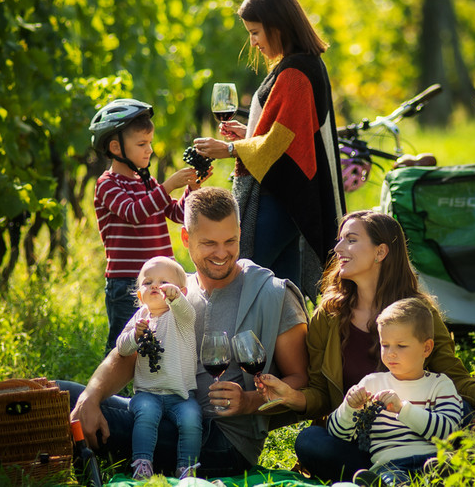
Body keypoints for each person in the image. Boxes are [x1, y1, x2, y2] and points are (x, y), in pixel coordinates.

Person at [64, 186, 309, 478]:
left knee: (64, 405)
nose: (222, 253)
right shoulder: (175, 293)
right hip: (162, 411)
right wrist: (90, 398)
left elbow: (300, 380)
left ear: (240, 233)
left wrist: (247, 402)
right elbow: (125, 356)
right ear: (186, 238)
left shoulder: (271, 294)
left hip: (221, 441)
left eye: (230, 241)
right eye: (209, 243)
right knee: (67, 396)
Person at [259, 210, 475, 482]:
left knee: (469, 414)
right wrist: (293, 397)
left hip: (425, 432)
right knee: (310, 441)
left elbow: (452, 374)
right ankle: (392, 474)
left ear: (381, 252)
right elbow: (321, 393)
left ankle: (423, 469)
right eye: (340, 240)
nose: (338, 248)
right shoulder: (328, 316)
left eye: (350, 240)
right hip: (367, 442)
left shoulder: (418, 312)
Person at [193, 0, 345, 299]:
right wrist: (249, 136)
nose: (253, 42)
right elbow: (289, 136)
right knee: (285, 292)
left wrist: (231, 149)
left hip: (280, 196)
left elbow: (279, 142)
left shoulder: (294, 73)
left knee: (243, 277)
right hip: (293, 198)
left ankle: (234, 347)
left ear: (276, 27)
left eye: (255, 32)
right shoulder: (306, 64)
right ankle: (285, 350)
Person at [90, 98, 200, 353]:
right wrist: (169, 185)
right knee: (123, 346)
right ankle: (111, 392)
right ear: (116, 148)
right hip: (128, 282)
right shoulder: (107, 184)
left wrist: (191, 189)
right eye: (141, 144)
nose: (149, 150)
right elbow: (133, 213)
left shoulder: (147, 183)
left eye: (149, 143)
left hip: (160, 280)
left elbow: (178, 213)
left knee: (161, 341)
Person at [328, 298, 464, 487]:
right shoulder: (372, 383)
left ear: (426, 348)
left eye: (401, 346)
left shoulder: (439, 384)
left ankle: (438, 479)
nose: (391, 353)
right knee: (392, 479)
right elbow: (339, 434)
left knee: (441, 469)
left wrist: (403, 409)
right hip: (389, 464)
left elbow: (449, 431)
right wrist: (349, 407)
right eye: (385, 345)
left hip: (432, 459)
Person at [115, 256, 201, 480]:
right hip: (148, 393)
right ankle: (142, 464)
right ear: (139, 294)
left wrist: (176, 298)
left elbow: (187, 311)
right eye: (147, 282)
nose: (155, 285)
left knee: (192, 418)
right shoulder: (140, 318)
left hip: (181, 395)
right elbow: (122, 348)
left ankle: (187, 468)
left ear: (181, 290)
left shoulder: (179, 317)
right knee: (146, 415)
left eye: (164, 282)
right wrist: (135, 335)